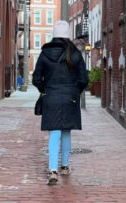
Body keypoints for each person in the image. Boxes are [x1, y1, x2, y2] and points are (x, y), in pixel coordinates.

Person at [32, 20, 89, 185]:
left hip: (51, 96)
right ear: (67, 36)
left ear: (54, 35)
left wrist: (45, 90)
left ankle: (53, 170)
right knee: (66, 132)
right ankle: (64, 166)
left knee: (54, 132)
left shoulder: (45, 53)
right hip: (70, 97)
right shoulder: (75, 54)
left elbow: (36, 78)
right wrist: (75, 91)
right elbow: (84, 79)